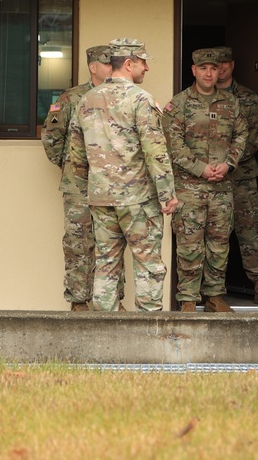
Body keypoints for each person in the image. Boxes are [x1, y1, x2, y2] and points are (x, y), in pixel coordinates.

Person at [67, 38, 179, 312]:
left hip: (101, 198)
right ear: (129, 64)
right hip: (137, 198)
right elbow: (155, 151)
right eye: (143, 63)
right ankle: (147, 336)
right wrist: (167, 194)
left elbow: (76, 156)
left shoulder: (86, 100)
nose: (147, 69)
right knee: (148, 264)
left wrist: (88, 192)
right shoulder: (141, 99)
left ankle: (104, 337)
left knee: (105, 264)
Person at [163, 48, 248, 313]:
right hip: (189, 187)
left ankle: (214, 296)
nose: (209, 73)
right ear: (194, 71)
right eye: (203, 68)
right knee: (189, 243)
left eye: (214, 68)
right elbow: (173, 145)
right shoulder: (178, 105)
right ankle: (188, 298)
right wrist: (200, 168)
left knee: (219, 243)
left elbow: (241, 136)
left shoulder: (231, 103)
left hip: (222, 186)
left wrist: (229, 163)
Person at [42, 45, 126, 311]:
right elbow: (52, 138)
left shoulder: (123, 96)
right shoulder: (71, 98)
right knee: (79, 243)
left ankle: (112, 301)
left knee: (112, 241)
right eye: (107, 64)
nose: (112, 69)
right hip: (79, 185)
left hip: (112, 184)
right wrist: (72, 168)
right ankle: (79, 301)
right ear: (93, 67)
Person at [212, 46, 258, 307]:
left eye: (223, 64)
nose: (219, 69)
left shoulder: (248, 99)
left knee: (250, 231)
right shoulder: (197, 99)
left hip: (241, 175)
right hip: (209, 178)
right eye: (213, 65)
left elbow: (253, 139)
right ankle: (211, 292)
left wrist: (228, 162)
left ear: (232, 65)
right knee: (213, 233)